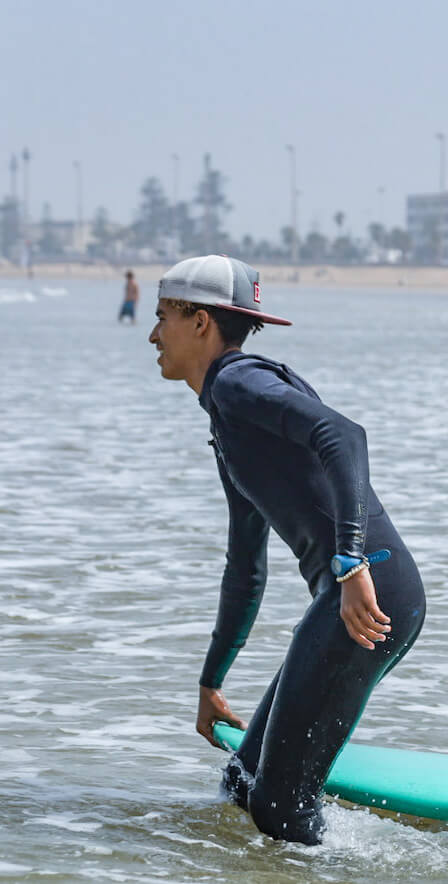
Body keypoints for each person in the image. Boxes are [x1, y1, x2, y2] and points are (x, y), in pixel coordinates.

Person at [147, 255, 427, 844]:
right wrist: (211, 681)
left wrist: (350, 562)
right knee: (244, 784)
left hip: (368, 590)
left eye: (163, 317)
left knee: (278, 805)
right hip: (360, 593)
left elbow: (343, 435)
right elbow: (245, 568)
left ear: (201, 323)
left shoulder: (238, 381)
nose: (152, 335)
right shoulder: (230, 417)